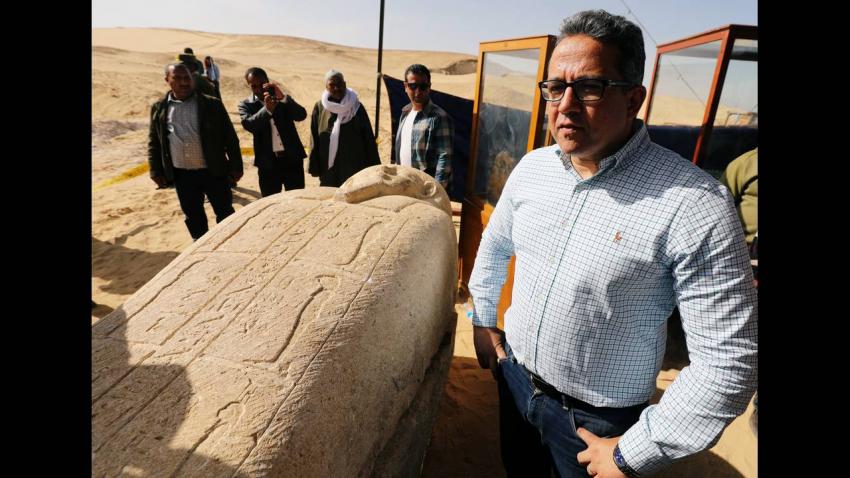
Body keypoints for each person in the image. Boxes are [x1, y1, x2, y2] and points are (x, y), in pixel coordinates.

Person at [467, 10, 757, 478]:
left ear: (634, 99)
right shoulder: (533, 169)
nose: (565, 105)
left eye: (589, 87)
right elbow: (495, 246)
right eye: (555, 88)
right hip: (516, 383)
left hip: (597, 428)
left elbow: (728, 365)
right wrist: (484, 319)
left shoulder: (695, 205)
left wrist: (630, 452)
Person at [148, 63, 243, 241]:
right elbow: (154, 140)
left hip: (213, 171)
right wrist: (155, 170)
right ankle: (201, 249)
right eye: (177, 78)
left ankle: (231, 246)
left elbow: (230, 137)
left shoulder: (211, 104)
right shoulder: (159, 107)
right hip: (182, 175)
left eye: (187, 78)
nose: (184, 82)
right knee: (193, 217)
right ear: (167, 80)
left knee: (225, 214)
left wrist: (236, 166)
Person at [238, 67, 308, 196]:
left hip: (292, 160)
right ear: (249, 85)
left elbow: (301, 115)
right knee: (270, 202)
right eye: (254, 86)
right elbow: (250, 125)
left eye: (261, 84)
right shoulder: (246, 105)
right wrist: (267, 110)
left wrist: (283, 98)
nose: (259, 89)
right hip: (267, 164)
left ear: (267, 81)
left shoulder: (281, 99)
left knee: (296, 199)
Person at [308, 70, 380, 187]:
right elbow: (314, 138)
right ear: (326, 87)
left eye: (339, 84)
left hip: (354, 167)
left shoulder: (356, 107)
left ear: (345, 84)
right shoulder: (320, 107)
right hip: (328, 169)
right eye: (332, 85)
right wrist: (314, 166)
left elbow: (368, 139)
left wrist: (374, 166)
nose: (336, 88)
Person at [392, 64, 453, 190]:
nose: (418, 91)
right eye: (413, 86)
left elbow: (445, 158)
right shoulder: (405, 113)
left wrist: (437, 191)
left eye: (423, 86)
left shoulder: (439, 117)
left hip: (424, 190)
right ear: (405, 86)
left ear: (429, 87)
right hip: (403, 185)